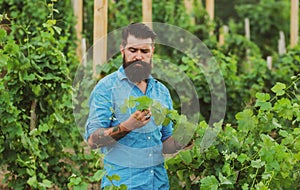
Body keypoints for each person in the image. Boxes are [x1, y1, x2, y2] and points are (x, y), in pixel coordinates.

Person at [85, 23, 183, 189]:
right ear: (122, 49)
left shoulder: (161, 91)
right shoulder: (107, 88)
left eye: (144, 51)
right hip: (122, 185)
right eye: (133, 50)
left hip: (158, 184)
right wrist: (128, 126)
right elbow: (93, 140)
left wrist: (184, 140)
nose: (138, 56)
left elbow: (166, 143)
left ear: (152, 52)